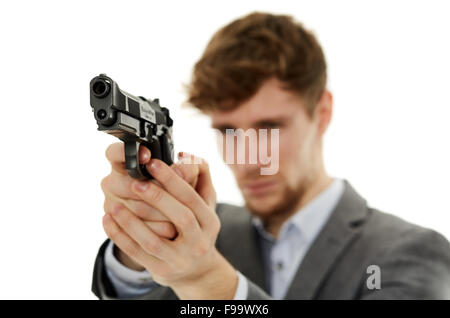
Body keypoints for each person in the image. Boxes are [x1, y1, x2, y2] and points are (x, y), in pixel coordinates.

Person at [92, 12, 450, 299]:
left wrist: (210, 283)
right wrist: (141, 246)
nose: (248, 159)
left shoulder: (406, 252)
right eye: (228, 132)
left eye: (269, 128)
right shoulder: (201, 233)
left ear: (321, 113)